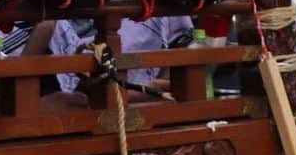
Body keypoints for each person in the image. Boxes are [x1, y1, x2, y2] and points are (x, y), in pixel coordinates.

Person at [33, 14, 195, 107]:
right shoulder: (48, 23)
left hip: (136, 102)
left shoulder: (160, 15)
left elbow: (172, 85)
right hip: (68, 105)